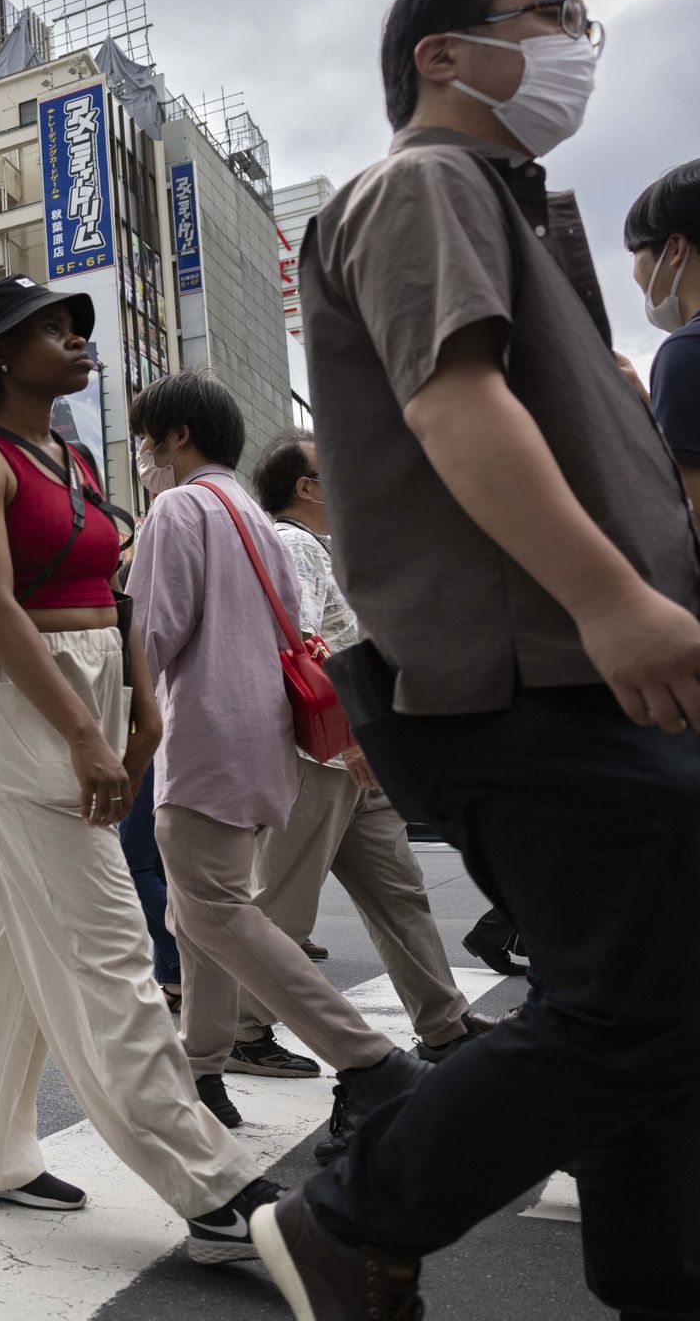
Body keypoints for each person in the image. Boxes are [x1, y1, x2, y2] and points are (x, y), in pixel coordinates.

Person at [256, 0, 700, 1321]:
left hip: (571, 666)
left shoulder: (495, 204)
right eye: (548, 12)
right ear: (440, 54)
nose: (579, 39)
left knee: (635, 1000)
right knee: (647, 995)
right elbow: (454, 407)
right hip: (530, 670)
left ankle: (659, 1276)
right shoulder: (424, 182)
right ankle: (351, 1212)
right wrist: (611, 599)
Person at [0, 275, 275, 1261]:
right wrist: (80, 731)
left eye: (76, 326)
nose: (76, 340)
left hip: (97, 688)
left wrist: (142, 704)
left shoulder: (69, 455)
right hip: (26, 704)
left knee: (37, 929)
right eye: (49, 329)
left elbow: (111, 594)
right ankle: (212, 1187)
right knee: (113, 945)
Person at [125, 371, 423, 1139]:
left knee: (217, 906)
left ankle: (367, 1061)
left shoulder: (178, 506)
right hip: (265, 739)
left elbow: (151, 636)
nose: (142, 454)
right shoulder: (259, 524)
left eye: (145, 438)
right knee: (197, 913)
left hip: (203, 736)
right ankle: (203, 1069)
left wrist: (112, 736)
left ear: (177, 436)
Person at [243, 433, 491, 1079]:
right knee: (281, 906)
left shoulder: (319, 547)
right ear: (305, 488)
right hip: (321, 757)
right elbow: (296, 643)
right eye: (334, 472)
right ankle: (238, 1029)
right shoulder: (293, 542)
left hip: (352, 759)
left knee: (398, 891)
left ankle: (442, 1024)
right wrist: (352, 735)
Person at [629, 159, 700, 513]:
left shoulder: (686, 351)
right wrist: (649, 406)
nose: (635, 272)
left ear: (674, 249)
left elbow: (684, 507)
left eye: (635, 250)